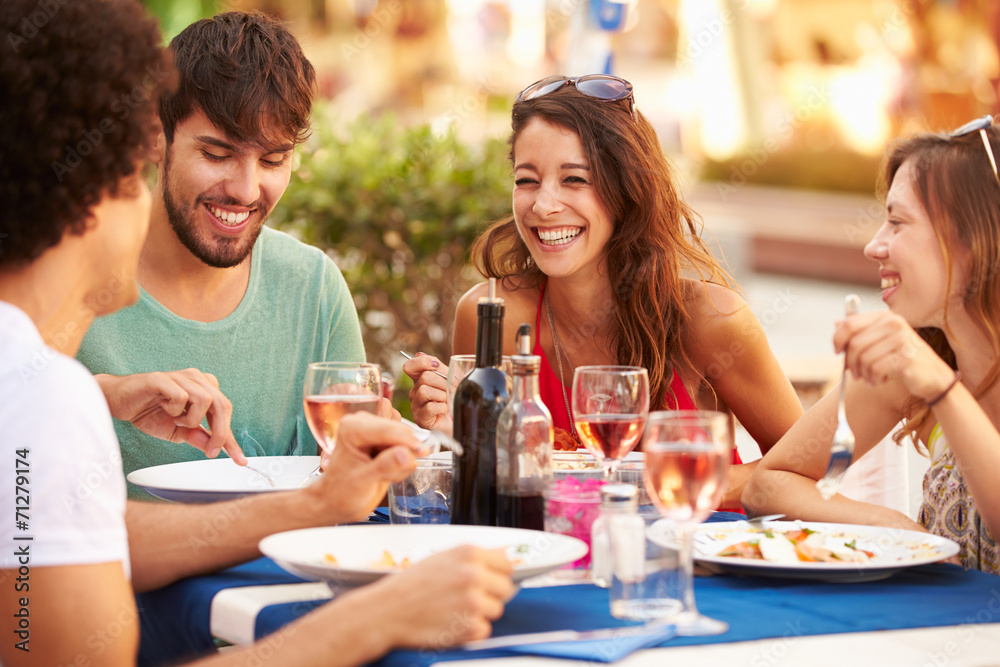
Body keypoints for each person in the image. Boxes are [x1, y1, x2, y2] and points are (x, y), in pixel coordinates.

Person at [0, 2, 513, 664]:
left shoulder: (35, 386)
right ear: (100, 193)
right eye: (133, 174)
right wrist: (377, 616)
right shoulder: (41, 397)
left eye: (272, 158)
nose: (244, 187)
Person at [404, 75, 804, 509]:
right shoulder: (491, 313)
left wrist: (655, 485)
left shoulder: (711, 319)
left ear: (627, 190)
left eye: (574, 179)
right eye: (527, 180)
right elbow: (485, 493)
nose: (543, 205)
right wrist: (450, 440)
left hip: (698, 561)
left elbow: (806, 467)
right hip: (552, 566)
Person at [76, 11, 369, 495]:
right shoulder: (71, 272)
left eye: (273, 159)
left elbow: (353, 489)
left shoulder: (313, 286)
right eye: (216, 154)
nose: (246, 190)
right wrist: (102, 396)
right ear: (155, 135)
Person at [744, 116, 1000, 574]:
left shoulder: (927, 369)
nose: (874, 246)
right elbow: (769, 485)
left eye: (898, 223)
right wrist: (893, 527)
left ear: (974, 242)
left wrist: (942, 388)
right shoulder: (922, 355)